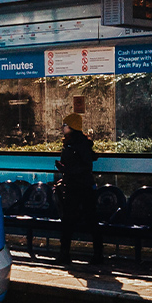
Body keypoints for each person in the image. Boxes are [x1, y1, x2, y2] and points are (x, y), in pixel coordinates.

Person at [55, 113, 101, 264]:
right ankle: (96, 254)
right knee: (88, 220)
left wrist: (65, 170)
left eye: (65, 125)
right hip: (80, 185)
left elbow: (84, 166)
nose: (62, 128)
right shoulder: (77, 143)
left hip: (78, 187)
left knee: (70, 220)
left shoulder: (75, 144)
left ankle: (65, 254)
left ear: (72, 127)